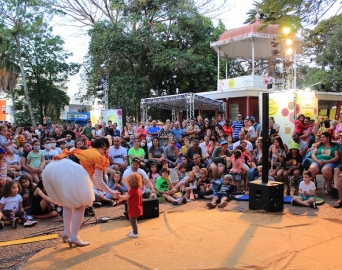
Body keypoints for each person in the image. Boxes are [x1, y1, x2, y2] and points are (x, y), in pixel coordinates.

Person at [42, 138, 119, 247]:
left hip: (53, 167)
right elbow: (98, 180)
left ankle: (66, 232)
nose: (106, 153)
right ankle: (74, 236)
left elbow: (93, 180)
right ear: (103, 148)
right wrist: (111, 193)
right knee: (80, 205)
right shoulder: (99, 156)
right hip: (68, 169)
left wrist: (109, 192)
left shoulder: (85, 152)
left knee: (67, 204)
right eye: (106, 150)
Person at [117, 173, 143, 238]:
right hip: (136, 207)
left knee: (132, 221)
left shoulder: (132, 190)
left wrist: (119, 196)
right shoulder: (137, 189)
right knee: (134, 220)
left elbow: (126, 198)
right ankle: (134, 230)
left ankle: (135, 233)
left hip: (134, 208)